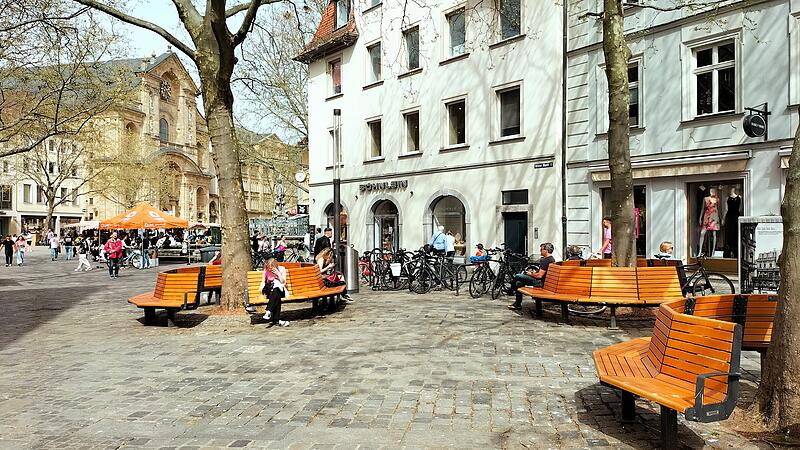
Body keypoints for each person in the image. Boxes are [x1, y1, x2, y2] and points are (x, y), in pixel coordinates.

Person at [509, 242, 556, 310]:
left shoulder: (546, 260)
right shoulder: (551, 259)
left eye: (541, 249)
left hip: (539, 283)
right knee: (518, 283)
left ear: (546, 250)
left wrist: (530, 274)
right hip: (543, 282)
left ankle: (511, 290)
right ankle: (517, 304)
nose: (540, 251)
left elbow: (539, 276)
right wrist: (534, 273)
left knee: (518, 276)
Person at [260, 258, 289, 327]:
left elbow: (283, 282)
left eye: (271, 268)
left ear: (275, 266)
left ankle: (268, 311)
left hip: (281, 290)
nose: (270, 270)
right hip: (270, 291)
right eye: (269, 268)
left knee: (277, 290)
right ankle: (276, 319)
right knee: (276, 296)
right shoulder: (266, 271)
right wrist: (260, 289)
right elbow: (263, 281)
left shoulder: (282, 269)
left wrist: (278, 274)